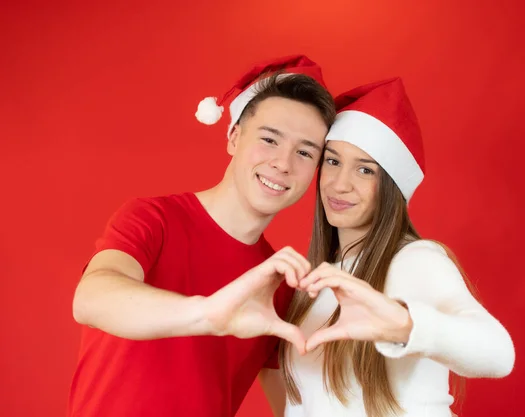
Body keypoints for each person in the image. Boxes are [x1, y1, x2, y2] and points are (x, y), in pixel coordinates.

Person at [67, 55, 336, 417]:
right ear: (234, 137)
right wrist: (209, 314)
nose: (284, 163)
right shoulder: (154, 219)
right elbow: (91, 298)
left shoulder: (281, 284)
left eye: (305, 152)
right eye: (270, 139)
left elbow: (293, 408)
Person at [279, 78, 516, 417]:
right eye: (332, 161)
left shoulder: (413, 260)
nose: (339, 183)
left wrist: (405, 325)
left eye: (365, 170)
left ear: (392, 185)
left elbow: (498, 354)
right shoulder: (319, 279)